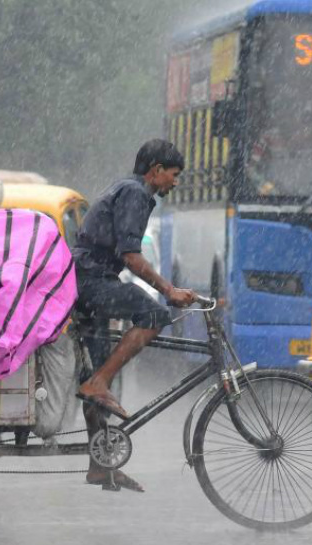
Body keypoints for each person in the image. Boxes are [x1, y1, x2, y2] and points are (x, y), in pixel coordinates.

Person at [71, 139, 196, 492]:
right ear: (155, 170)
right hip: (91, 280)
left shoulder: (128, 189)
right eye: (173, 175)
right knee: (155, 315)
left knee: (96, 377)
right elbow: (130, 256)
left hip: (86, 280)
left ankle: (100, 465)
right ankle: (99, 383)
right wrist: (169, 291)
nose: (175, 182)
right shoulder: (136, 194)